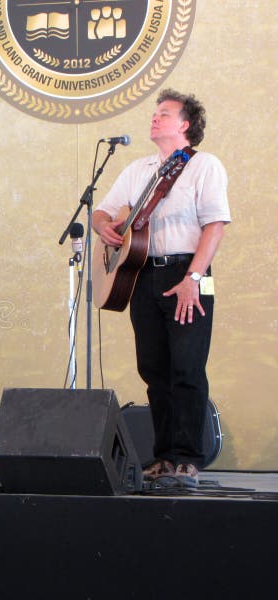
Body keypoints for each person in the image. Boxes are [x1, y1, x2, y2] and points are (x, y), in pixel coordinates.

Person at [92, 89, 230, 487]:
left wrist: (194, 279)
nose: (154, 118)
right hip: (142, 275)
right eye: (154, 113)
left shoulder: (204, 166)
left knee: (187, 366)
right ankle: (165, 456)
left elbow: (215, 226)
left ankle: (189, 457)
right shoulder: (138, 170)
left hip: (188, 272)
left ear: (185, 125)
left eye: (164, 114)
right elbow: (103, 212)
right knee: (154, 368)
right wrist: (105, 228)